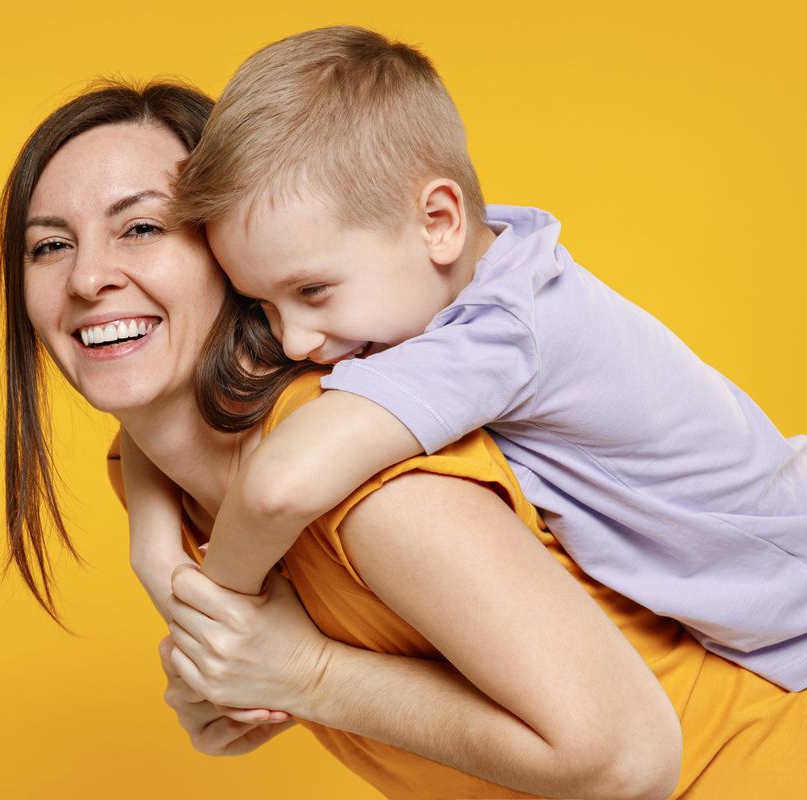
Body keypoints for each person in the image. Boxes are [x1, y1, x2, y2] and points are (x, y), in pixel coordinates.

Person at [1, 81, 806, 798]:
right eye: (48, 245)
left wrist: (288, 666)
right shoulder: (162, 473)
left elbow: (626, 758)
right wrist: (206, 639)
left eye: (140, 227)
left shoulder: (361, 465)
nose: (86, 277)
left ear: (226, 246)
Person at [119, 25, 807, 692]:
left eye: (313, 291)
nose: (294, 341)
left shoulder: (498, 332)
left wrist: (217, 618)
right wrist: (152, 542)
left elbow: (279, 486)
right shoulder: (473, 263)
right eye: (262, 306)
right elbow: (158, 419)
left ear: (439, 221)